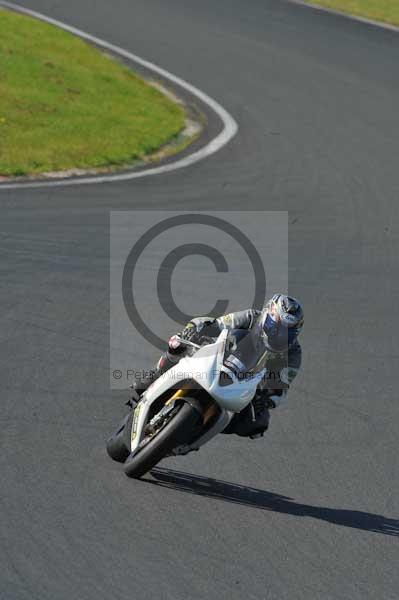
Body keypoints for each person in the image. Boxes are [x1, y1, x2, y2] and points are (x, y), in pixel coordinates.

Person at [133, 294, 303, 439]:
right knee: (178, 344)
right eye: (276, 326)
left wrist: (267, 400)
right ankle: (155, 375)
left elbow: (281, 386)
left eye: (287, 332)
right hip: (216, 358)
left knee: (258, 422)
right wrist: (195, 330)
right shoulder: (251, 317)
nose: (279, 334)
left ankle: (197, 432)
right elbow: (219, 324)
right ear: (267, 316)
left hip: (243, 383)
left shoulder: (293, 354)